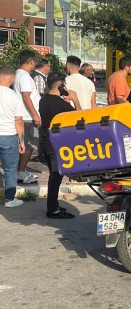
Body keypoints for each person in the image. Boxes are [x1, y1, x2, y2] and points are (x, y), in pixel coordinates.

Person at [39, 73, 81, 218]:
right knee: (56, 175)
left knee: (54, 174)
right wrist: (75, 100)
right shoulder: (61, 104)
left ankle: (54, 205)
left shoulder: (43, 100)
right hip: (56, 145)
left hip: (46, 142)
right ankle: (52, 210)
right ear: (61, 86)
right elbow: (80, 118)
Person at [0, 66, 27, 208]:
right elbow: (19, 121)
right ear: (12, 79)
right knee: (10, 170)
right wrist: (21, 141)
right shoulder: (14, 96)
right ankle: (10, 200)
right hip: (9, 137)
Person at [13, 50, 40, 184]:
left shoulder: (18, 74)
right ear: (31, 62)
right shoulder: (24, 77)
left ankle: (20, 170)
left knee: (24, 146)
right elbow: (26, 96)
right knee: (29, 147)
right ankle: (21, 173)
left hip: (24, 116)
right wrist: (35, 114)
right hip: (28, 117)